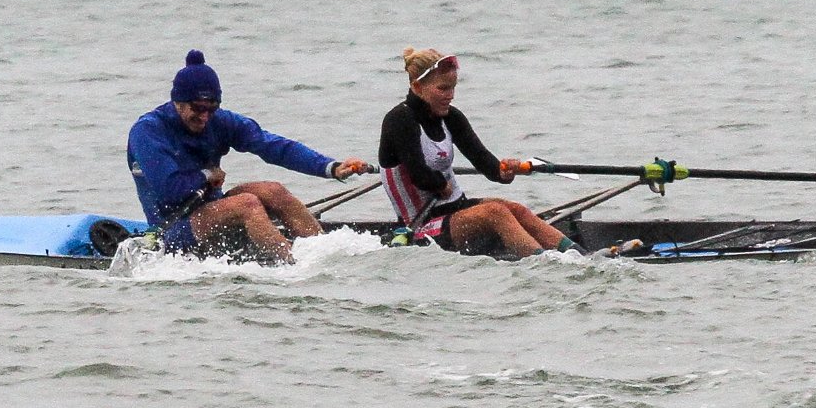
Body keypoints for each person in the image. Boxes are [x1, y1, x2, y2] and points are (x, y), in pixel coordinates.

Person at [127, 50, 376, 263]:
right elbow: (171, 189)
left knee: (273, 190)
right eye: (198, 109)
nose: (205, 117)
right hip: (171, 229)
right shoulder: (148, 132)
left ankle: (326, 256)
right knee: (247, 203)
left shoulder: (221, 122)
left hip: (214, 213)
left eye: (211, 109)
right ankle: (293, 266)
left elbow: (274, 146)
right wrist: (207, 174)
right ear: (177, 102)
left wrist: (330, 167)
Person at [377, 48, 578, 257]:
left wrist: (505, 171)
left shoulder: (451, 117)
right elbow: (420, 175)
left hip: (457, 211)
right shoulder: (399, 120)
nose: (450, 96)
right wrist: (439, 184)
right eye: (443, 89)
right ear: (418, 87)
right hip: (420, 225)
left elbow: (486, 164)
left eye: (453, 88)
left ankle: (579, 255)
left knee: (516, 209)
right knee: (495, 212)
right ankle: (544, 262)